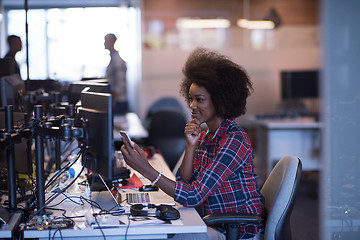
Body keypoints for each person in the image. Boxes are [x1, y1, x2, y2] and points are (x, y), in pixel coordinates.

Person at [120, 47, 265, 240]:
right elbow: (185, 182)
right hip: (210, 220)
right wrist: (190, 145)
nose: (192, 106)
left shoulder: (234, 141)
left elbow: (191, 196)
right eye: (191, 99)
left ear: (221, 100)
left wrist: (146, 169)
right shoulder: (207, 135)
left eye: (199, 100)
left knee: (162, 235)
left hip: (236, 231)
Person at [104, 33, 128, 114]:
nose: (104, 43)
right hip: (115, 100)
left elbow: (120, 84)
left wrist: (113, 102)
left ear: (112, 42)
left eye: (105, 41)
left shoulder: (117, 61)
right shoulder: (113, 58)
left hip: (118, 101)